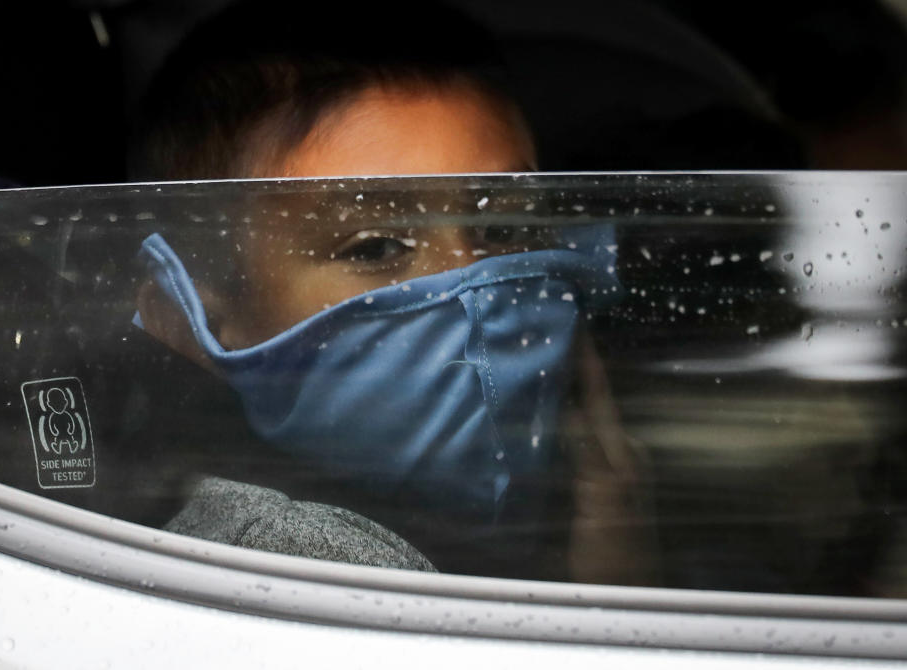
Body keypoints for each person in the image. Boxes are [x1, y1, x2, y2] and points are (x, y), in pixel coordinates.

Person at [130, 0, 655, 583]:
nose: (471, 281)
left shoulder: (618, 508)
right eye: (375, 247)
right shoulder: (278, 564)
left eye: (503, 229)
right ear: (187, 321)